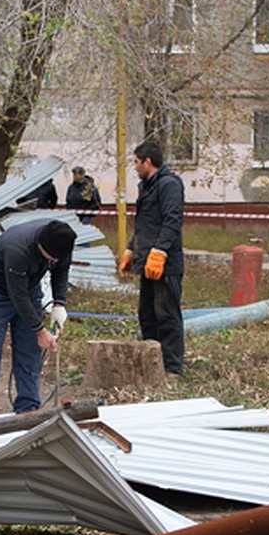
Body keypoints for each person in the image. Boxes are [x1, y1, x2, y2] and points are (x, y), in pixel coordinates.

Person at [0, 218, 75, 425]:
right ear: (41, 246)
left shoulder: (62, 242)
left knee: (29, 351)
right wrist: (40, 329)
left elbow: (61, 271)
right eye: (50, 257)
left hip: (29, 286)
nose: (53, 261)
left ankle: (28, 408)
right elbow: (18, 296)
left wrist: (59, 303)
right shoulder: (18, 249)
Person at [117, 140, 185, 376]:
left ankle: (172, 368)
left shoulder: (169, 185)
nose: (134, 167)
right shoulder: (147, 186)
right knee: (147, 314)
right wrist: (130, 250)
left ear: (148, 161)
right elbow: (144, 225)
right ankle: (152, 362)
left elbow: (172, 220)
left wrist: (161, 251)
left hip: (166, 264)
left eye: (136, 162)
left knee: (167, 314)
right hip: (147, 262)